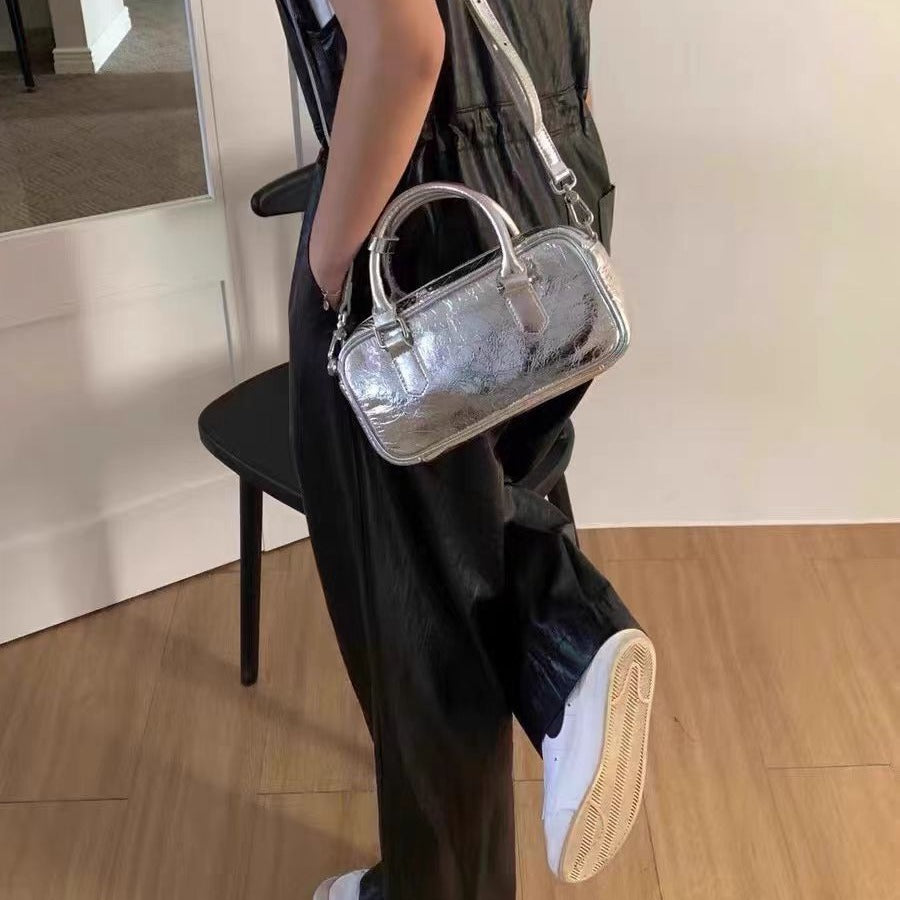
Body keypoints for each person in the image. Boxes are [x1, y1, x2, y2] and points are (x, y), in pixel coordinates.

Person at [281, 1, 658, 898]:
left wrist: (328, 268)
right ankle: (571, 642)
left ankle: (435, 888)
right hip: (548, 200)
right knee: (494, 513)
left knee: (417, 611)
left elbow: (407, 48)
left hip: (420, 236)